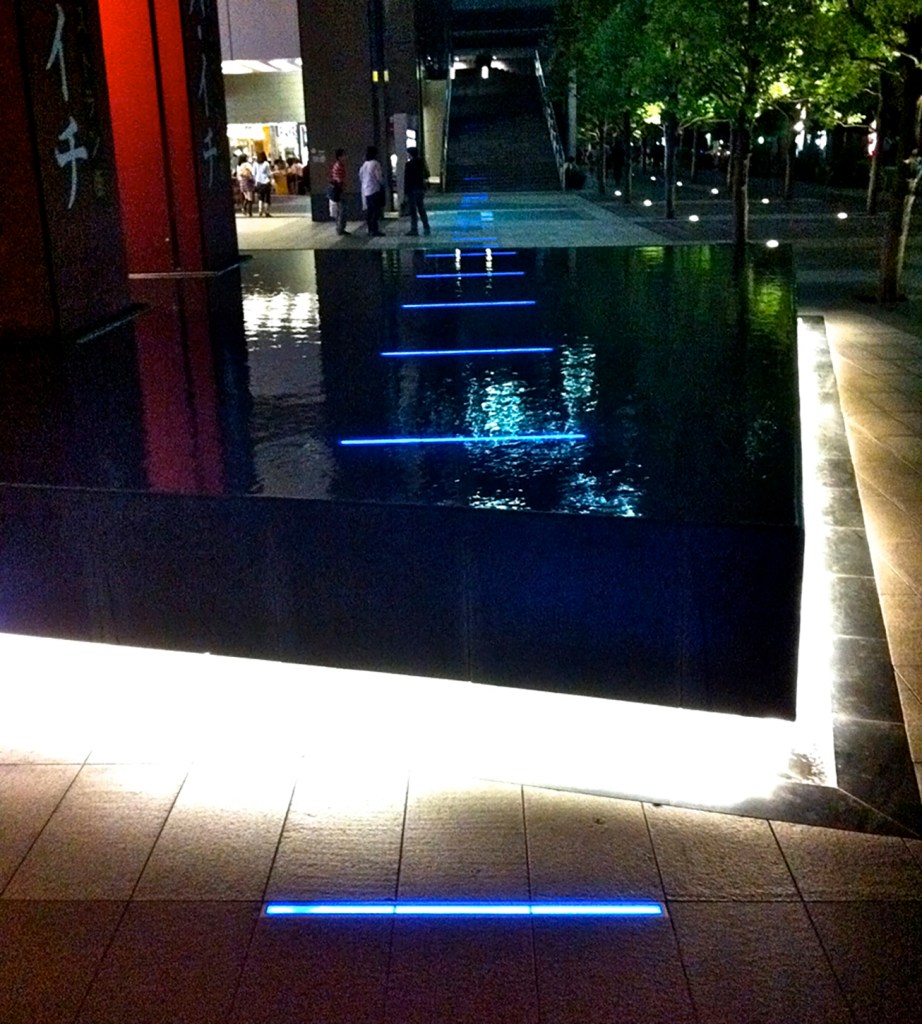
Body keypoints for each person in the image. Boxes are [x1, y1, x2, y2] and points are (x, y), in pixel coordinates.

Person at [358, 145, 386, 236]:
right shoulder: (375, 163)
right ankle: (375, 230)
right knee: (375, 211)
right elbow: (379, 177)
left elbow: (360, 177)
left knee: (369, 211)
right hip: (374, 189)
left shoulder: (364, 165)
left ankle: (370, 229)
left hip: (366, 190)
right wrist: (382, 183)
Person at [403, 146, 430, 236]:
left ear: (410, 154)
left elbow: (407, 179)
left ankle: (414, 229)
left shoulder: (409, 164)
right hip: (420, 188)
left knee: (413, 210)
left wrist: (405, 192)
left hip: (412, 189)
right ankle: (426, 227)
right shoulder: (421, 163)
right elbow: (427, 174)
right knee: (421, 208)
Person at [328, 148, 349, 235]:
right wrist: (342, 188)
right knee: (342, 210)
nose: (346, 157)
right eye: (344, 155)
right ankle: (340, 228)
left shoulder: (338, 165)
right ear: (339, 157)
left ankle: (340, 228)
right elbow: (339, 180)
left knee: (340, 210)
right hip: (339, 191)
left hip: (338, 190)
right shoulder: (339, 166)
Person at [253, 151, 272, 216]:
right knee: (267, 198)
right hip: (266, 182)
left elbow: (253, 173)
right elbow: (269, 173)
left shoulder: (255, 164)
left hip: (258, 182)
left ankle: (260, 210)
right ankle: (266, 212)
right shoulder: (266, 163)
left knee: (260, 197)